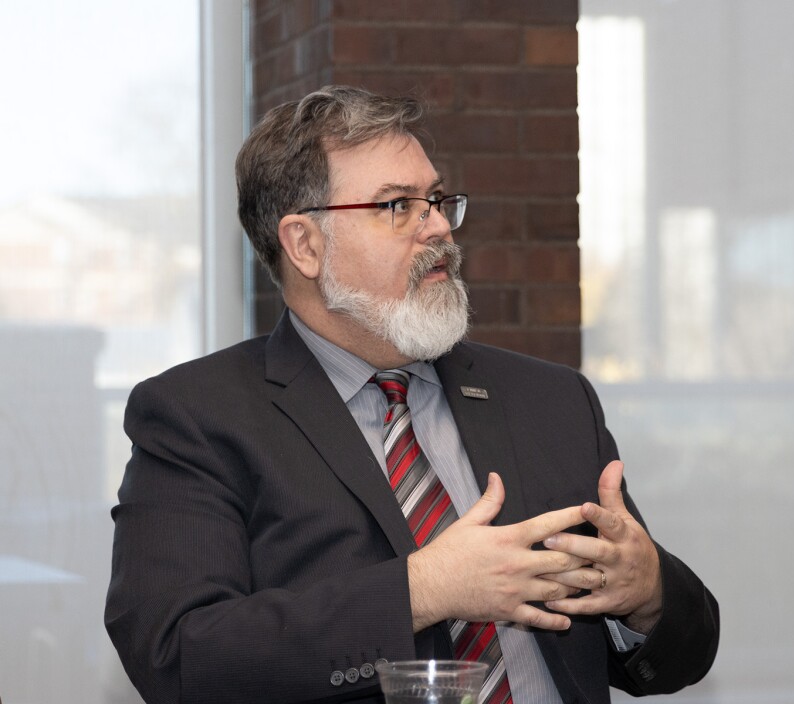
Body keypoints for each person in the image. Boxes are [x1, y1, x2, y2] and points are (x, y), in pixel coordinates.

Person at [105, 85, 719, 704]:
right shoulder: (196, 416)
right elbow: (179, 657)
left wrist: (650, 594)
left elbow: (681, 657)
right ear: (305, 245)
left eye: (437, 200)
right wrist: (422, 590)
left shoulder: (551, 400)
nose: (438, 229)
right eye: (398, 206)